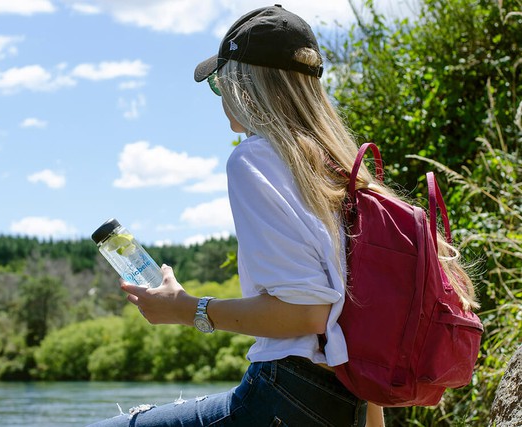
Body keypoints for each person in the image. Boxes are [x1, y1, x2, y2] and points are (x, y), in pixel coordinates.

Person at [88, 4, 476, 426]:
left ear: (244, 84)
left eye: (220, 84)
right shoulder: (341, 170)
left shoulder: (254, 158)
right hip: (345, 402)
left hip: (283, 397)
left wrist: (186, 309)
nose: (222, 99)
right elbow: (356, 323)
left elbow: (304, 311)